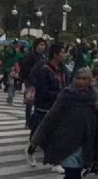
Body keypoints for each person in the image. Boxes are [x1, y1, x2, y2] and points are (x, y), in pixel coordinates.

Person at [30, 68, 98, 179]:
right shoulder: (66, 95)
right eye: (78, 78)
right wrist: (36, 140)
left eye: (85, 79)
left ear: (90, 81)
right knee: (72, 169)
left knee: (77, 169)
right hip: (67, 139)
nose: (81, 82)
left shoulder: (93, 96)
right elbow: (51, 116)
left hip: (86, 139)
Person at [26, 43, 69, 171]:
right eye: (63, 52)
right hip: (44, 106)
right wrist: (60, 94)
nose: (65, 55)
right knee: (43, 134)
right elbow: (42, 91)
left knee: (54, 134)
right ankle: (50, 160)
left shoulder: (63, 69)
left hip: (58, 106)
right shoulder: (44, 69)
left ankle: (54, 161)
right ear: (55, 54)